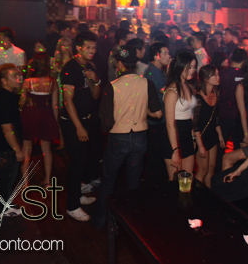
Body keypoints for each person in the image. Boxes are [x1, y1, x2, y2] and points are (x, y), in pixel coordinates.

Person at [93, 45, 162, 228]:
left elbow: (106, 123)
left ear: (120, 65)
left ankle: (100, 221)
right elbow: (157, 113)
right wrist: (141, 109)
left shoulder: (111, 86)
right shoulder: (147, 83)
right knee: (133, 182)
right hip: (140, 138)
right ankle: (132, 223)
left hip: (119, 138)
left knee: (108, 181)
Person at [59, 32, 101, 222]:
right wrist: (79, 127)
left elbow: (95, 95)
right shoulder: (70, 68)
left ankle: (77, 194)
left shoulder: (89, 66)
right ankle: (72, 206)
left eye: (94, 47)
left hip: (87, 119)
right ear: (78, 48)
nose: (92, 51)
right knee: (77, 163)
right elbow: (67, 101)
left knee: (84, 160)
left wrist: (96, 80)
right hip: (73, 123)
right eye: (88, 47)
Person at [19, 53, 60, 188]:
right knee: (46, 149)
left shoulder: (28, 81)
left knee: (26, 149)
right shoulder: (53, 82)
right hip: (46, 114)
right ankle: (47, 181)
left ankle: (25, 183)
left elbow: (22, 102)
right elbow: (55, 105)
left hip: (30, 114)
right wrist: (55, 122)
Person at [0, 64, 24, 217]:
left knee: (5, 178)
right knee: (7, 178)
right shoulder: (4, 98)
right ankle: (1, 209)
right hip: (6, 147)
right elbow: (6, 128)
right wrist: (17, 149)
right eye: (14, 76)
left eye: (19, 75)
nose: (19, 78)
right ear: (4, 80)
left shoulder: (3, 95)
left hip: (2, 145)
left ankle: (0, 203)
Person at [224, 57, 248, 169]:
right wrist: (246, 134)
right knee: (244, 159)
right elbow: (242, 112)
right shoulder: (241, 87)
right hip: (244, 125)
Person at [163, 50, 198, 180]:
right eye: (189, 67)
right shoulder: (172, 92)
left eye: (194, 67)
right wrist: (175, 150)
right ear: (180, 66)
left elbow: (191, 115)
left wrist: (193, 137)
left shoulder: (188, 86)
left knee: (188, 179)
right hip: (174, 139)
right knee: (175, 181)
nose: (192, 70)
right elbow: (170, 124)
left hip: (187, 136)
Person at [144, 42, 171, 185]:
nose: (169, 56)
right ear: (156, 56)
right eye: (165, 53)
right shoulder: (153, 72)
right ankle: (155, 186)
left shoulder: (158, 70)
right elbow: (167, 93)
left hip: (160, 119)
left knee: (159, 154)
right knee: (156, 156)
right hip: (156, 121)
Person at [193, 65, 224, 187]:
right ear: (206, 79)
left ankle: (209, 194)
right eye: (214, 75)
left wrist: (220, 135)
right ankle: (196, 194)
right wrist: (200, 145)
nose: (218, 77)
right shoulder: (198, 98)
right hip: (201, 137)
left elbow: (216, 117)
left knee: (211, 168)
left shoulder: (215, 93)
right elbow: (195, 125)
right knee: (203, 170)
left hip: (212, 136)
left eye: (218, 74)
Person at [0, 26, 26, 92]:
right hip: (0, 88)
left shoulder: (19, 53)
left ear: (6, 38)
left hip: (15, 89)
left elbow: (21, 72)